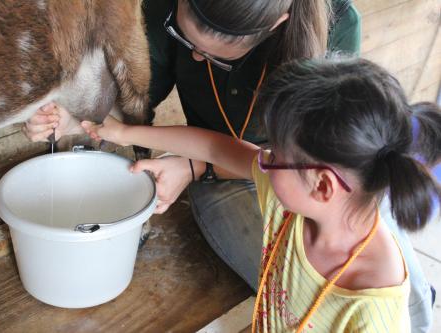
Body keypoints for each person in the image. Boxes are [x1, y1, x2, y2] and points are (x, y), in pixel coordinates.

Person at [23, 0, 435, 330]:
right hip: (292, 192)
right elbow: (218, 146)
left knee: (412, 295)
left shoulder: (367, 309)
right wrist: (116, 130)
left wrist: (196, 166)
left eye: (216, 57)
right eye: (187, 43)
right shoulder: (289, 193)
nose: (197, 60)